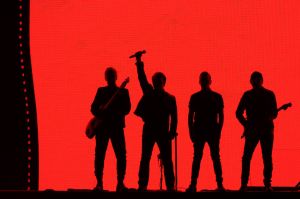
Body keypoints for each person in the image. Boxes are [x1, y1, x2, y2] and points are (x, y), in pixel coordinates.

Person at [133, 53, 177, 191]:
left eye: (159, 80)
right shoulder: (164, 96)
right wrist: (139, 62)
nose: (157, 82)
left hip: (159, 131)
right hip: (157, 131)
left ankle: (164, 185)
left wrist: (171, 133)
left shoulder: (166, 97)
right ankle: (145, 184)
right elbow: (142, 78)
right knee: (148, 158)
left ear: (163, 82)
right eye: (156, 80)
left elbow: (175, 117)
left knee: (157, 158)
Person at [91, 67, 131, 192]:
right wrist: (100, 109)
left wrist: (115, 111)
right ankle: (99, 183)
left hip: (117, 127)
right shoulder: (101, 91)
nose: (110, 77)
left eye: (112, 75)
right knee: (100, 155)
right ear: (106, 78)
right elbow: (93, 108)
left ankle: (120, 183)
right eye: (108, 75)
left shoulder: (123, 92)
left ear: (116, 77)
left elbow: (127, 109)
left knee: (121, 155)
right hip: (102, 127)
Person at [236, 71, 277, 192]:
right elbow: (274, 113)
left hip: (261, 130)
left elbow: (274, 113)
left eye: (256, 79)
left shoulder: (251, 95)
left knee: (259, 157)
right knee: (261, 157)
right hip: (260, 130)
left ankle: (250, 184)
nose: (255, 82)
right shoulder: (267, 94)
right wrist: (247, 124)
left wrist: (247, 124)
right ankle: (263, 184)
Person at [186, 72, 225, 192]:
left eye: (204, 79)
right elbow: (221, 116)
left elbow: (190, 117)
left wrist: (191, 131)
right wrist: (219, 130)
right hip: (209, 130)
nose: (204, 81)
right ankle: (218, 184)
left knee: (200, 158)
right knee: (213, 157)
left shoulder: (196, 97)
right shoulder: (216, 96)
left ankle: (194, 184)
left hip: (203, 130)